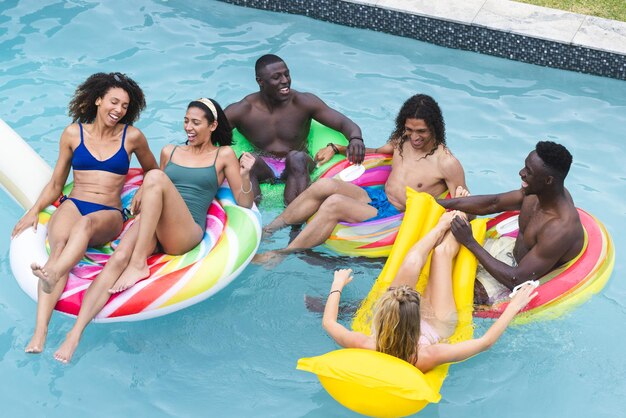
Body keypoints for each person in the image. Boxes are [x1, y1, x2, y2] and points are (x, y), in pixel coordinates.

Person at [53, 98, 255, 363]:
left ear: (213, 125)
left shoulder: (223, 154)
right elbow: (156, 191)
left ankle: (139, 262)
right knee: (118, 258)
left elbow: (244, 203)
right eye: (185, 121)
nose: (188, 128)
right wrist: (140, 194)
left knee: (155, 177)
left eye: (196, 122)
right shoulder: (170, 151)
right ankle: (75, 334)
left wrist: (247, 173)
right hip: (156, 222)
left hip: (185, 231)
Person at [11, 72, 158, 355]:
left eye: (125, 106)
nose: (118, 110)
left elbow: (153, 171)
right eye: (114, 102)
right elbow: (56, 183)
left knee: (85, 226)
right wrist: (34, 210)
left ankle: (53, 275)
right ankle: (39, 334)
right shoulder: (73, 133)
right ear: (99, 100)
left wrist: (141, 191)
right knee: (59, 247)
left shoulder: (132, 137)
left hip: (107, 214)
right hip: (75, 201)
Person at [254, 94, 466, 263]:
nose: (415, 137)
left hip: (398, 216)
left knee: (334, 204)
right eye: (409, 130)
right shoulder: (402, 140)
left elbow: (466, 207)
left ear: (435, 129)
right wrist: (336, 147)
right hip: (378, 197)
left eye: (422, 132)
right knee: (325, 185)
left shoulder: (446, 163)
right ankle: (269, 230)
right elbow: (375, 152)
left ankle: (282, 253)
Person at [323, 210, 538, 373]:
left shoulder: (366, 344)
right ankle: (459, 219)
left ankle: (441, 226)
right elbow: (485, 342)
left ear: (381, 317)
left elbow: (329, 323)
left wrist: (337, 284)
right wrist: (515, 305)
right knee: (441, 254)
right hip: (437, 323)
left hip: (415, 316)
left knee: (415, 261)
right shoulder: (425, 356)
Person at [440, 141, 584, 304]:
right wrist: (439, 203)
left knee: (455, 294)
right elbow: (494, 203)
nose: (521, 173)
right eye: (525, 167)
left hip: (518, 277)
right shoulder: (535, 193)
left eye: (528, 171)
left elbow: (517, 280)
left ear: (548, 180)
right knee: (441, 253)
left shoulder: (560, 228)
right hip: (509, 251)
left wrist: (470, 242)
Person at [224, 54, 366, 205]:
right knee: (247, 160)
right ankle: (252, 214)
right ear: (260, 81)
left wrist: (355, 139)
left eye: (286, 74)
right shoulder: (243, 110)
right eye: (276, 77)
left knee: (296, 157)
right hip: (263, 167)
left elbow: (344, 123)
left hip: (298, 164)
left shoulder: (303, 102)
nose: (285, 81)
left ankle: (295, 224)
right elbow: (210, 133)